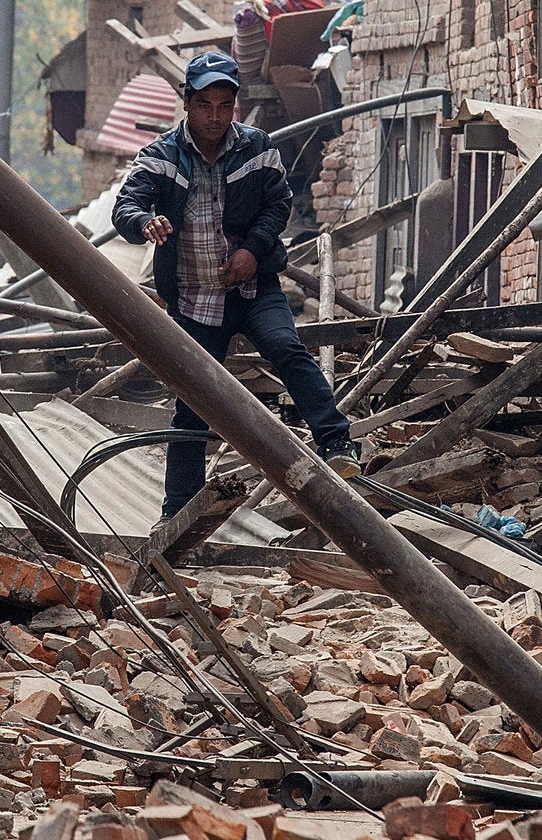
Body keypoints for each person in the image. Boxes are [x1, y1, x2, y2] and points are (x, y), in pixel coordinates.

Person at [113, 50, 358, 519]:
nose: (214, 117)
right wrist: (146, 222)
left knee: (287, 349)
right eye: (204, 105)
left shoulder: (257, 147)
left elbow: (278, 204)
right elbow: (125, 207)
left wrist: (252, 251)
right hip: (192, 297)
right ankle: (179, 510)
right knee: (192, 402)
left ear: (234, 107)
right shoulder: (160, 157)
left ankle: (337, 443)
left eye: (224, 106)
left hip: (252, 288)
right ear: (187, 102)